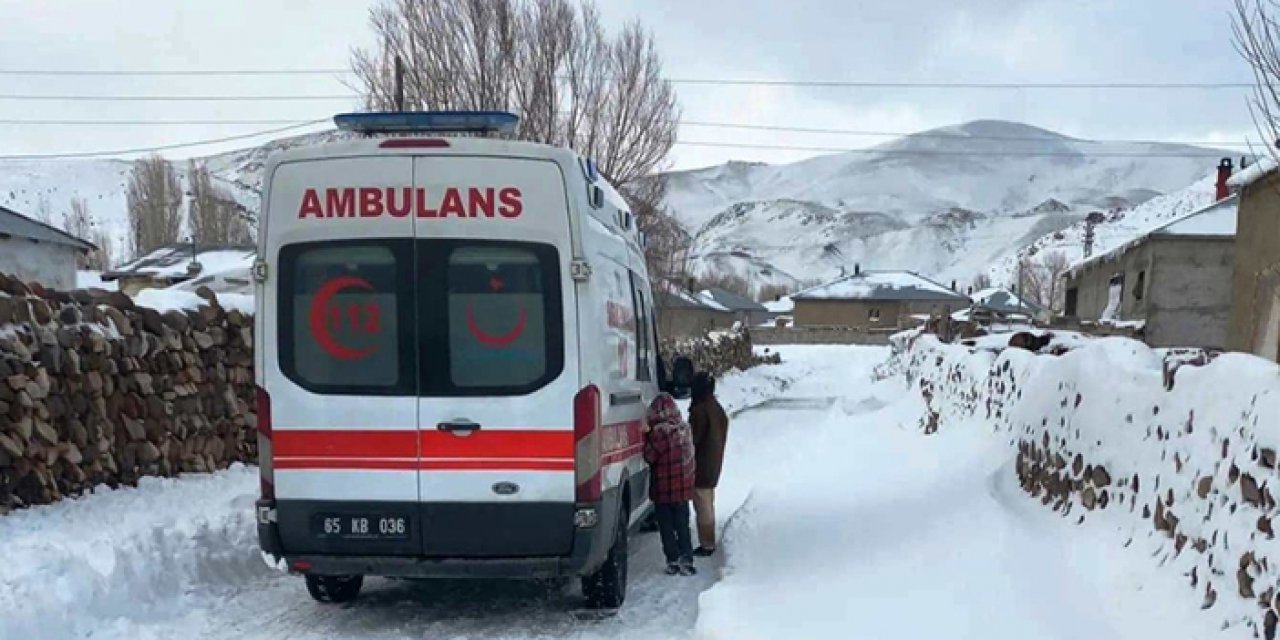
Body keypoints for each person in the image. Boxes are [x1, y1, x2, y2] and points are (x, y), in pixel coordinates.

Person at [643, 393, 697, 576]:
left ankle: (672, 560)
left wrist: (646, 437)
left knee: (667, 528)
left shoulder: (660, 434)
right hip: (682, 489)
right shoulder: (684, 429)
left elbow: (649, 456)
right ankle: (687, 558)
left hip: (664, 490)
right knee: (683, 526)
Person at [689, 372, 729, 557]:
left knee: (703, 507)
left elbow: (692, 439)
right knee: (708, 503)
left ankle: (707, 544)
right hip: (713, 463)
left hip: (700, 465)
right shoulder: (716, 408)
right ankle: (708, 540)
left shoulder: (700, 410)